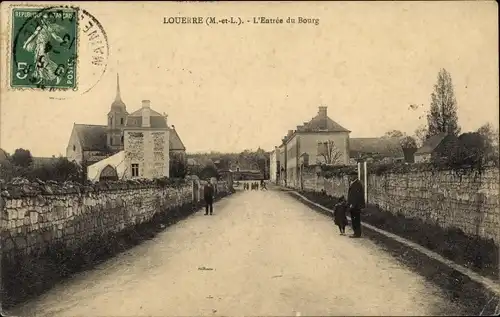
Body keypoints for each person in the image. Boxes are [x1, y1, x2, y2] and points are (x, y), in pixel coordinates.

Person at [347, 173, 365, 238]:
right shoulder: (354, 183)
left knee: (356, 220)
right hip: (354, 205)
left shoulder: (357, 184)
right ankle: (356, 233)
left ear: (355, 176)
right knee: (354, 219)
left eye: (351, 176)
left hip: (355, 206)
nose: (350, 177)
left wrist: (352, 205)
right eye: (350, 176)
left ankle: (357, 233)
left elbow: (357, 196)